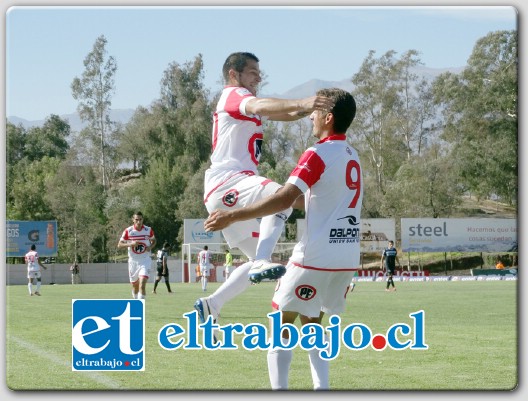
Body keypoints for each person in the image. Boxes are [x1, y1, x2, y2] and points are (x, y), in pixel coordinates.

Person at [205, 88, 361, 390]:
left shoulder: (318, 153)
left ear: (328, 118)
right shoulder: (352, 155)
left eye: (315, 112)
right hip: (346, 258)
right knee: (312, 323)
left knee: (280, 325)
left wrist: (233, 215)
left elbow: (284, 199)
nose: (310, 118)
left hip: (315, 257)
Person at [195, 51, 335, 324]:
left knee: (254, 261)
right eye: (252, 72)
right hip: (229, 181)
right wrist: (303, 101)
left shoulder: (244, 102)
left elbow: (286, 113)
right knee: (282, 197)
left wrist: (308, 109)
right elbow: (261, 106)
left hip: (225, 190)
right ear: (234, 74)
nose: (258, 77)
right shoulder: (233, 95)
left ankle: (212, 304)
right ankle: (261, 259)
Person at [117, 211, 156, 299]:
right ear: (133, 220)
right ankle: (136, 303)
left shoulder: (148, 230)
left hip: (145, 260)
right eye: (136, 220)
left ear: (143, 219)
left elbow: (154, 240)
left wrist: (150, 247)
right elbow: (119, 244)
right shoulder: (128, 231)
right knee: (135, 286)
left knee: (142, 284)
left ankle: (141, 308)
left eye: (140, 219)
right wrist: (131, 244)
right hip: (133, 262)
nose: (139, 222)